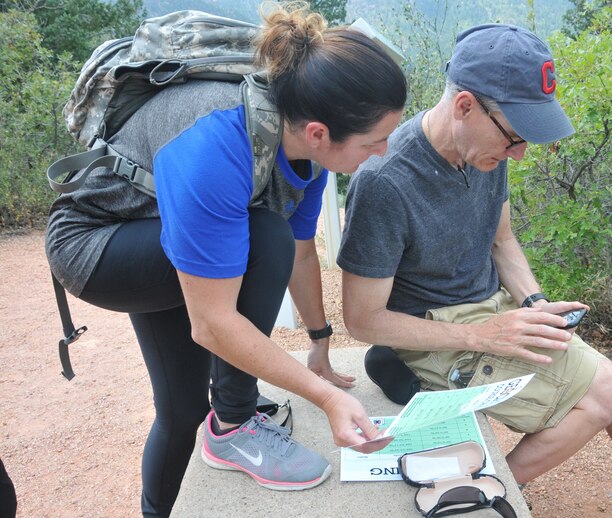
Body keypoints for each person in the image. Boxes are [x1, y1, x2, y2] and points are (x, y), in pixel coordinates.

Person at [338, 24, 612, 518]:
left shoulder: (484, 150)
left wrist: (534, 304)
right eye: (515, 136)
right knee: (601, 397)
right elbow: (362, 320)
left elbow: (502, 242)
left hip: (492, 314)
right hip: (436, 328)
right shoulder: (385, 182)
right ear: (465, 106)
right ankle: (483, 487)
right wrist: (487, 334)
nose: (520, 152)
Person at [45, 3, 406, 516]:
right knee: (265, 236)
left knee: (183, 407)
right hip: (99, 243)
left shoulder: (306, 149)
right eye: (375, 141)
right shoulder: (216, 143)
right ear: (321, 131)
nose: (385, 152)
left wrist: (320, 343)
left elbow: (305, 256)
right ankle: (233, 425)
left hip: (165, 230)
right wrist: (326, 399)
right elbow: (213, 323)